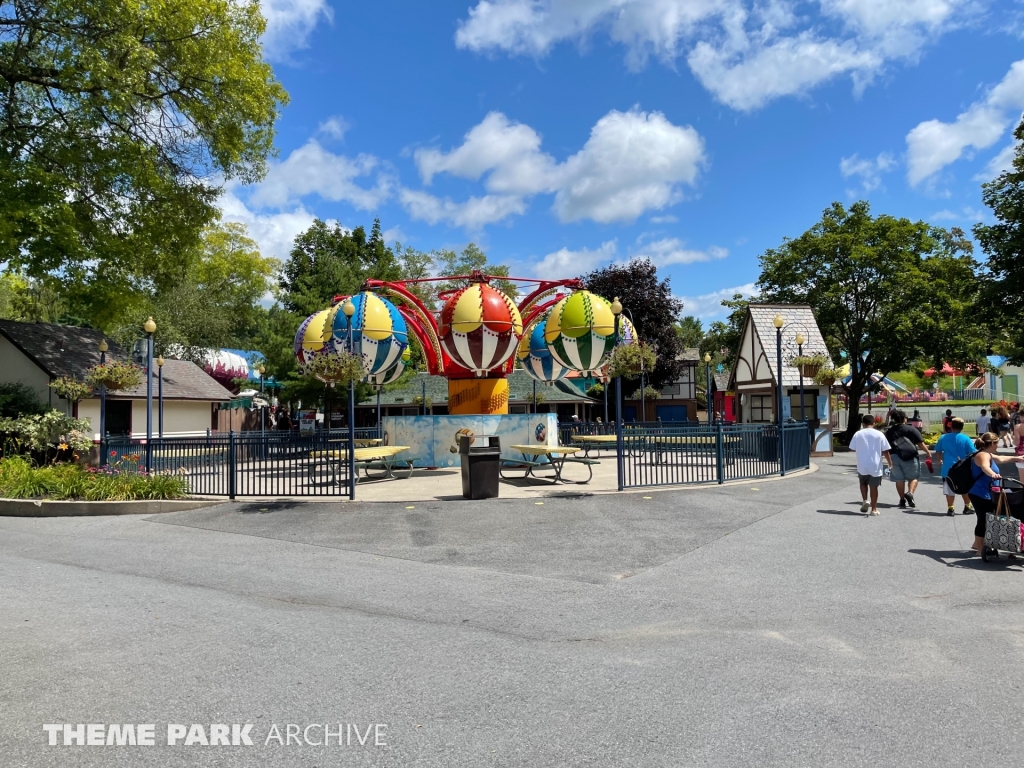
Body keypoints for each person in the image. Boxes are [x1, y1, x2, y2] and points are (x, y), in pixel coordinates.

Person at [968, 432, 1022, 555]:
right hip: (980, 493)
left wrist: (1016, 458)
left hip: (984, 492)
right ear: (992, 443)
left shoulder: (987, 453)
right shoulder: (983, 455)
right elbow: (984, 466)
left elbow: (1002, 458)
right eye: (997, 443)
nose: (998, 445)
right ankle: (980, 549)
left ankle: (977, 544)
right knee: (983, 519)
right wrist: (992, 473)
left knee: (985, 518)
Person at [884, 409, 932, 509]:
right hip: (910, 456)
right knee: (914, 477)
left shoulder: (889, 431)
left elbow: (885, 447)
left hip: (894, 457)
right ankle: (910, 493)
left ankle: (902, 499)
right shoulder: (911, 429)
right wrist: (928, 452)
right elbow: (920, 443)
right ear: (905, 419)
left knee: (899, 479)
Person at [849, 413, 892, 516]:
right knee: (874, 487)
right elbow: (886, 450)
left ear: (863, 423)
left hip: (862, 464)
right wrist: (890, 463)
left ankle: (865, 500)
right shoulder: (879, 434)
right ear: (874, 423)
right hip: (876, 465)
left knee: (863, 482)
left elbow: (852, 448)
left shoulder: (858, 434)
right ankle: (874, 509)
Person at [933, 417, 976, 516]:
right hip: (962, 467)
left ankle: (951, 508)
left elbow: (938, 451)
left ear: (951, 426)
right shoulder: (966, 438)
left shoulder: (943, 438)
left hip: (948, 467)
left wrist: (939, 459)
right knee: (964, 487)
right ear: (962, 427)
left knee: (949, 487)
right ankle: (967, 506)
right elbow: (973, 452)